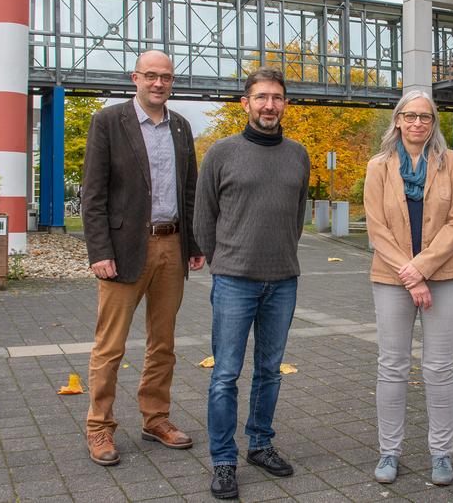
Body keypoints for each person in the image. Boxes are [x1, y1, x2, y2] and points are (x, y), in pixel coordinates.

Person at [81, 49, 205, 466]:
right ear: (134, 77)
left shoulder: (182, 127)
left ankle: (156, 418)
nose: (158, 83)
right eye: (150, 76)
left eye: (166, 77)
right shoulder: (109, 122)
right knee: (110, 346)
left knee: (163, 343)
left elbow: (189, 191)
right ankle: (99, 426)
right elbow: (93, 194)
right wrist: (99, 251)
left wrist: (195, 244)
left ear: (172, 82)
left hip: (171, 245)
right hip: (122, 249)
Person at [194, 66, 310, 500]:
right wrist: (223, 260)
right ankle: (224, 460)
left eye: (277, 98)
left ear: (285, 104)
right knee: (225, 374)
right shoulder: (221, 152)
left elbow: (296, 215)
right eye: (261, 97)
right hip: (234, 281)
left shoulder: (298, 154)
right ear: (246, 103)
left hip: (283, 280)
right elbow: (204, 215)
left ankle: (259, 444)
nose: (269, 105)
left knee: (269, 371)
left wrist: (278, 254)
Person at [364, 90, 453, 486]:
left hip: (443, 276)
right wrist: (410, 275)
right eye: (410, 116)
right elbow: (377, 229)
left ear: (433, 123)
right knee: (392, 366)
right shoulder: (379, 167)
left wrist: (422, 270)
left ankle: (441, 453)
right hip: (391, 277)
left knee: (439, 368)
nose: (417, 123)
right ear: (398, 120)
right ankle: (389, 451)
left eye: (425, 117)